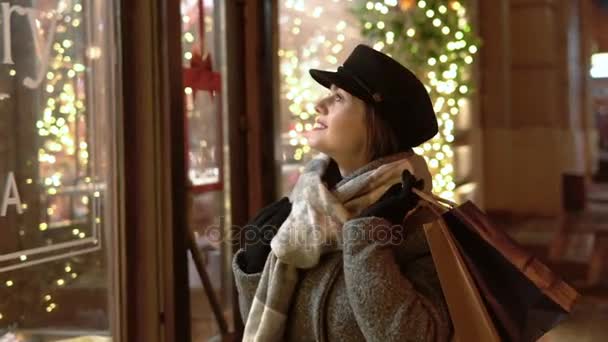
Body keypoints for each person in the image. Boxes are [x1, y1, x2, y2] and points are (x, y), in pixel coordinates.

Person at [232, 44, 452, 342]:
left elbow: (414, 336)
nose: (319, 105)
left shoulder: (419, 225)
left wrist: (366, 240)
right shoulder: (306, 209)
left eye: (338, 97)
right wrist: (255, 268)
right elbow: (266, 330)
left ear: (376, 122)